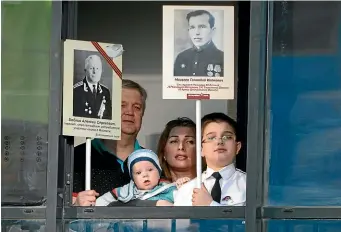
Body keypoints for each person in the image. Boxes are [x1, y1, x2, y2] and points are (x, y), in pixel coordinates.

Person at [72, 79, 147, 206]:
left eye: (137, 107)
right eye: (122, 106)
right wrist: (75, 208)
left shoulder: (150, 161)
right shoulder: (77, 158)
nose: (129, 112)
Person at [174, 112, 246, 206]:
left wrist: (210, 205)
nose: (219, 141)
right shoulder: (187, 190)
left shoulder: (250, 186)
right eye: (211, 138)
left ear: (237, 147)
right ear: (201, 149)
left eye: (227, 137)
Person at [95, 149, 189, 206]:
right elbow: (105, 199)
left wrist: (183, 187)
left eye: (150, 170)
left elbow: (184, 201)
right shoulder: (127, 191)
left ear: (159, 172)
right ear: (133, 178)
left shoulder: (167, 189)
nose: (145, 175)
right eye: (138, 172)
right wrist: (93, 209)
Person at [174, 10, 224, 77]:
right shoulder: (181, 57)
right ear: (188, 31)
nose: (197, 33)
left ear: (213, 31)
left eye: (202, 27)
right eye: (192, 27)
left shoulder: (222, 58)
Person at [157, 117, 198, 182]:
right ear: (163, 151)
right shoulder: (152, 190)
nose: (181, 147)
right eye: (174, 141)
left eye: (190, 141)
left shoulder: (212, 185)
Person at [73, 54, 112, 120]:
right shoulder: (76, 90)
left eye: (97, 68)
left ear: (101, 71)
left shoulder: (105, 91)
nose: (95, 72)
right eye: (91, 68)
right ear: (85, 70)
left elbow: (108, 117)